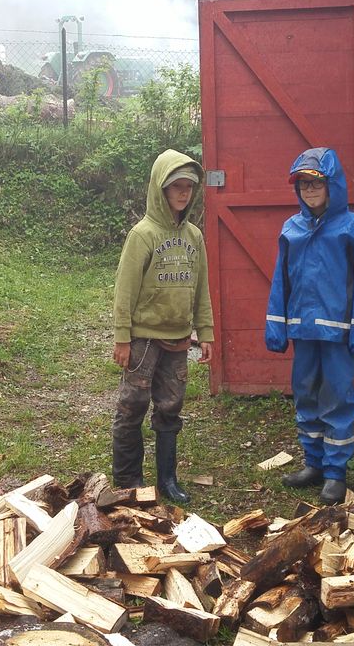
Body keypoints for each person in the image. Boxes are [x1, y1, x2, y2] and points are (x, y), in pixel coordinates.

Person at [265, 147, 354, 505]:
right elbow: (280, 280)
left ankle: (335, 472)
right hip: (303, 329)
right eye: (303, 185)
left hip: (337, 332)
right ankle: (313, 463)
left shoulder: (352, 227)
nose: (310, 190)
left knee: (337, 397)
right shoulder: (291, 228)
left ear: (332, 185)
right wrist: (276, 324)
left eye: (316, 183)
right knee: (305, 393)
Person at [112, 149, 215, 504]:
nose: (183, 193)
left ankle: (168, 479)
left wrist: (205, 332)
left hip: (178, 340)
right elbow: (125, 290)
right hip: (143, 340)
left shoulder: (194, 237)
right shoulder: (142, 235)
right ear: (160, 188)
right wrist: (122, 337)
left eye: (189, 187)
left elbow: (201, 288)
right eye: (176, 187)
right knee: (132, 405)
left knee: (170, 407)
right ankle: (129, 480)